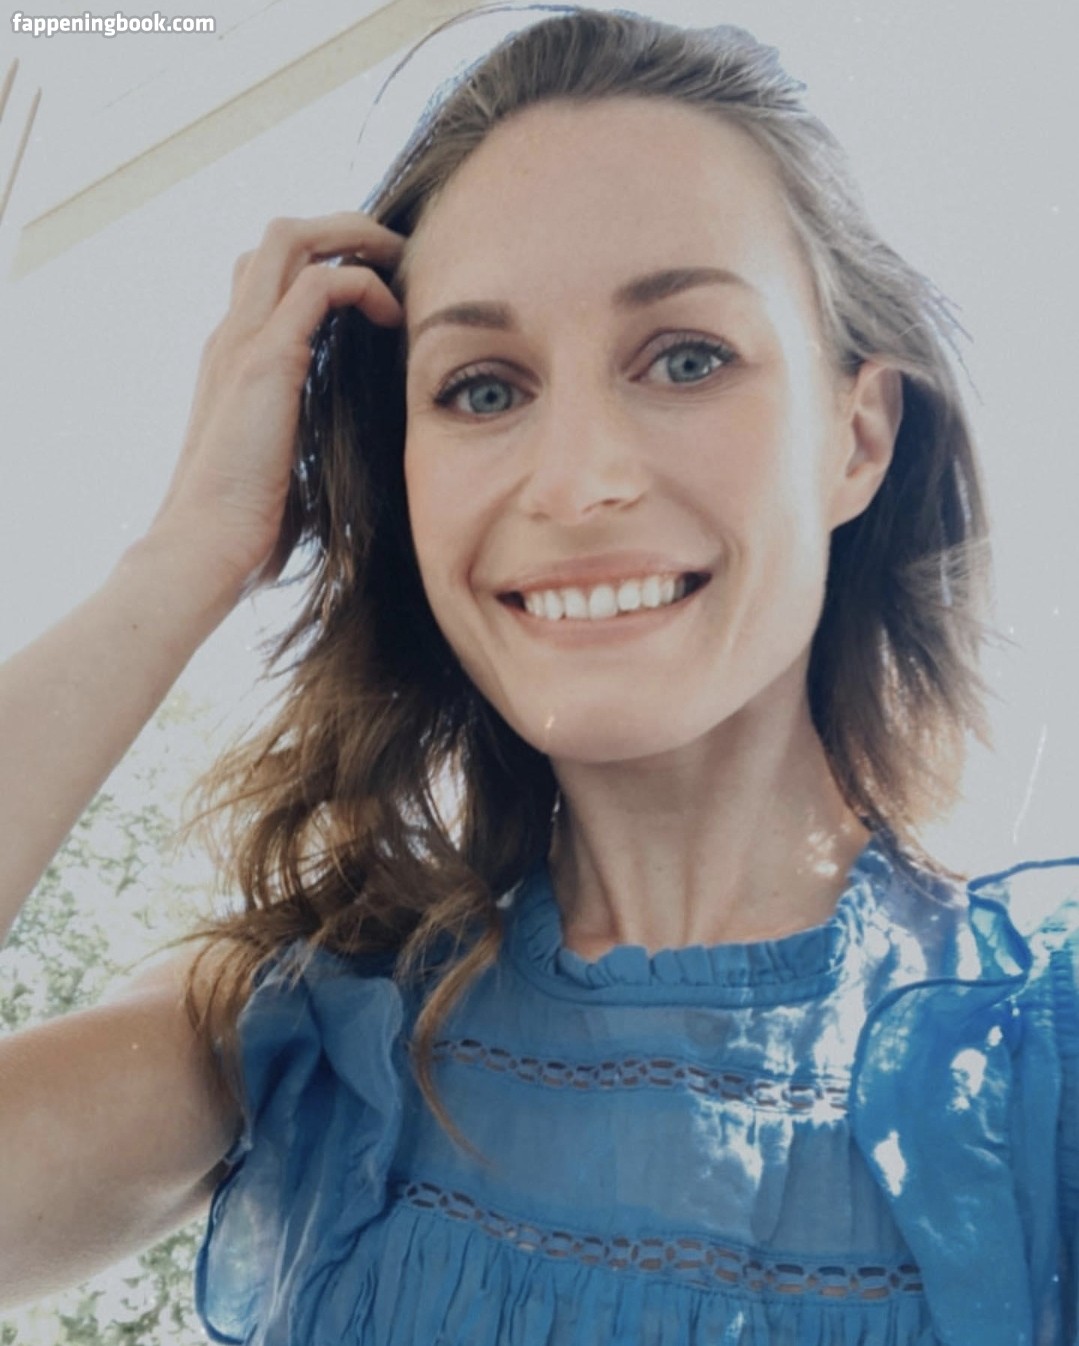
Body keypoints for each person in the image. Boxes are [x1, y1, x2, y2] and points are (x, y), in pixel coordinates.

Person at [2, 5, 1078, 1343]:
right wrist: (183, 558)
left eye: (687, 358)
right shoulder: (311, 1029)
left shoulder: (1037, 1056)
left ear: (856, 439)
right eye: (483, 388)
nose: (576, 479)